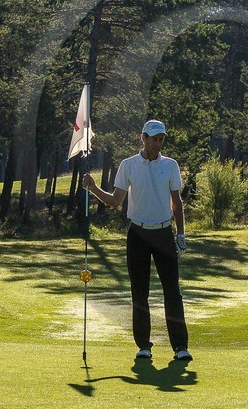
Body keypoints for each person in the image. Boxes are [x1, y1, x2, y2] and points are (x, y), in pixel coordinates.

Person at [83, 119, 191, 362]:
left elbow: (177, 203)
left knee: (172, 292)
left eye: (161, 138)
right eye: (154, 139)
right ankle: (144, 345)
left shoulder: (171, 165)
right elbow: (115, 201)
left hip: (164, 233)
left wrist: (181, 235)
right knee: (139, 292)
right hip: (138, 235)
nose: (158, 143)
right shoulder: (128, 165)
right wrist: (92, 188)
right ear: (143, 138)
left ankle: (180, 347)